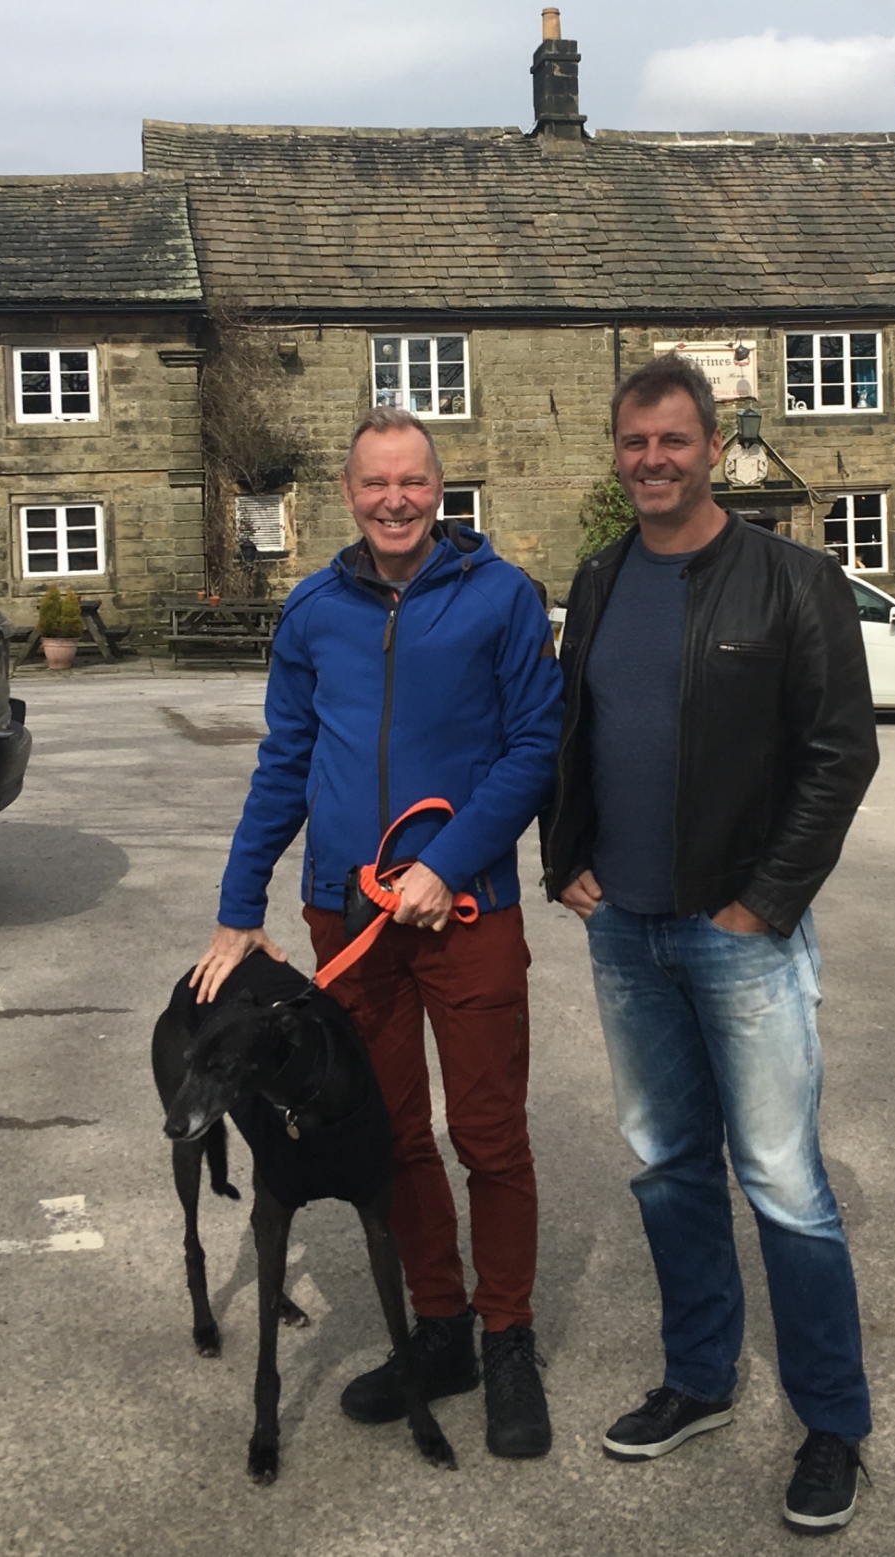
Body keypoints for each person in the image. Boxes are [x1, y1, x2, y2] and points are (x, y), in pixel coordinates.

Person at [541, 354, 880, 1531]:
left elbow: (841, 756)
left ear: (710, 446)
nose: (650, 461)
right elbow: (570, 733)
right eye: (632, 443)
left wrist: (764, 903)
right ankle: (698, 1380)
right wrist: (563, 858)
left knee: (784, 1184)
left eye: (671, 441)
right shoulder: (595, 580)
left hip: (740, 936)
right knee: (665, 1166)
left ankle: (830, 1424)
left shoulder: (791, 581)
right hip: (623, 932)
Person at [192, 406, 563, 1459]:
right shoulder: (311, 611)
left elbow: (534, 744)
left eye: (411, 481)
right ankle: (437, 1329)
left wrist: (449, 865)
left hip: (465, 908)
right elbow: (284, 763)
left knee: (487, 1135)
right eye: (373, 484)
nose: (393, 499)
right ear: (347, 494)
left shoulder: (500, 598)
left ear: (438, 489)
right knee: (391, 1133)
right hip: (346, 916)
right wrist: (237, 907)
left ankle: (506, 1337)